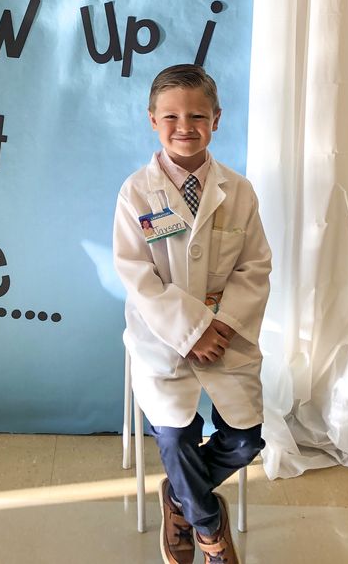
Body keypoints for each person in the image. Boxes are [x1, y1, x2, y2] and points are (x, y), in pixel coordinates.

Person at [113, 64, 271, 564]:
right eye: (172, 116)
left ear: (217, 119)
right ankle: (208, 534)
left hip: (226, 337)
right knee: (175, 435)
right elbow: (137, 275)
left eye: (197, 115)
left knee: (246, 440)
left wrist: (220, 326)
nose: (185, 126)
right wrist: (190, 331)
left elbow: (255, 266)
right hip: (163, 339)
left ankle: (180, 495)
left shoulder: (239, 192)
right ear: (152, 120)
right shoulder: (136, 193)